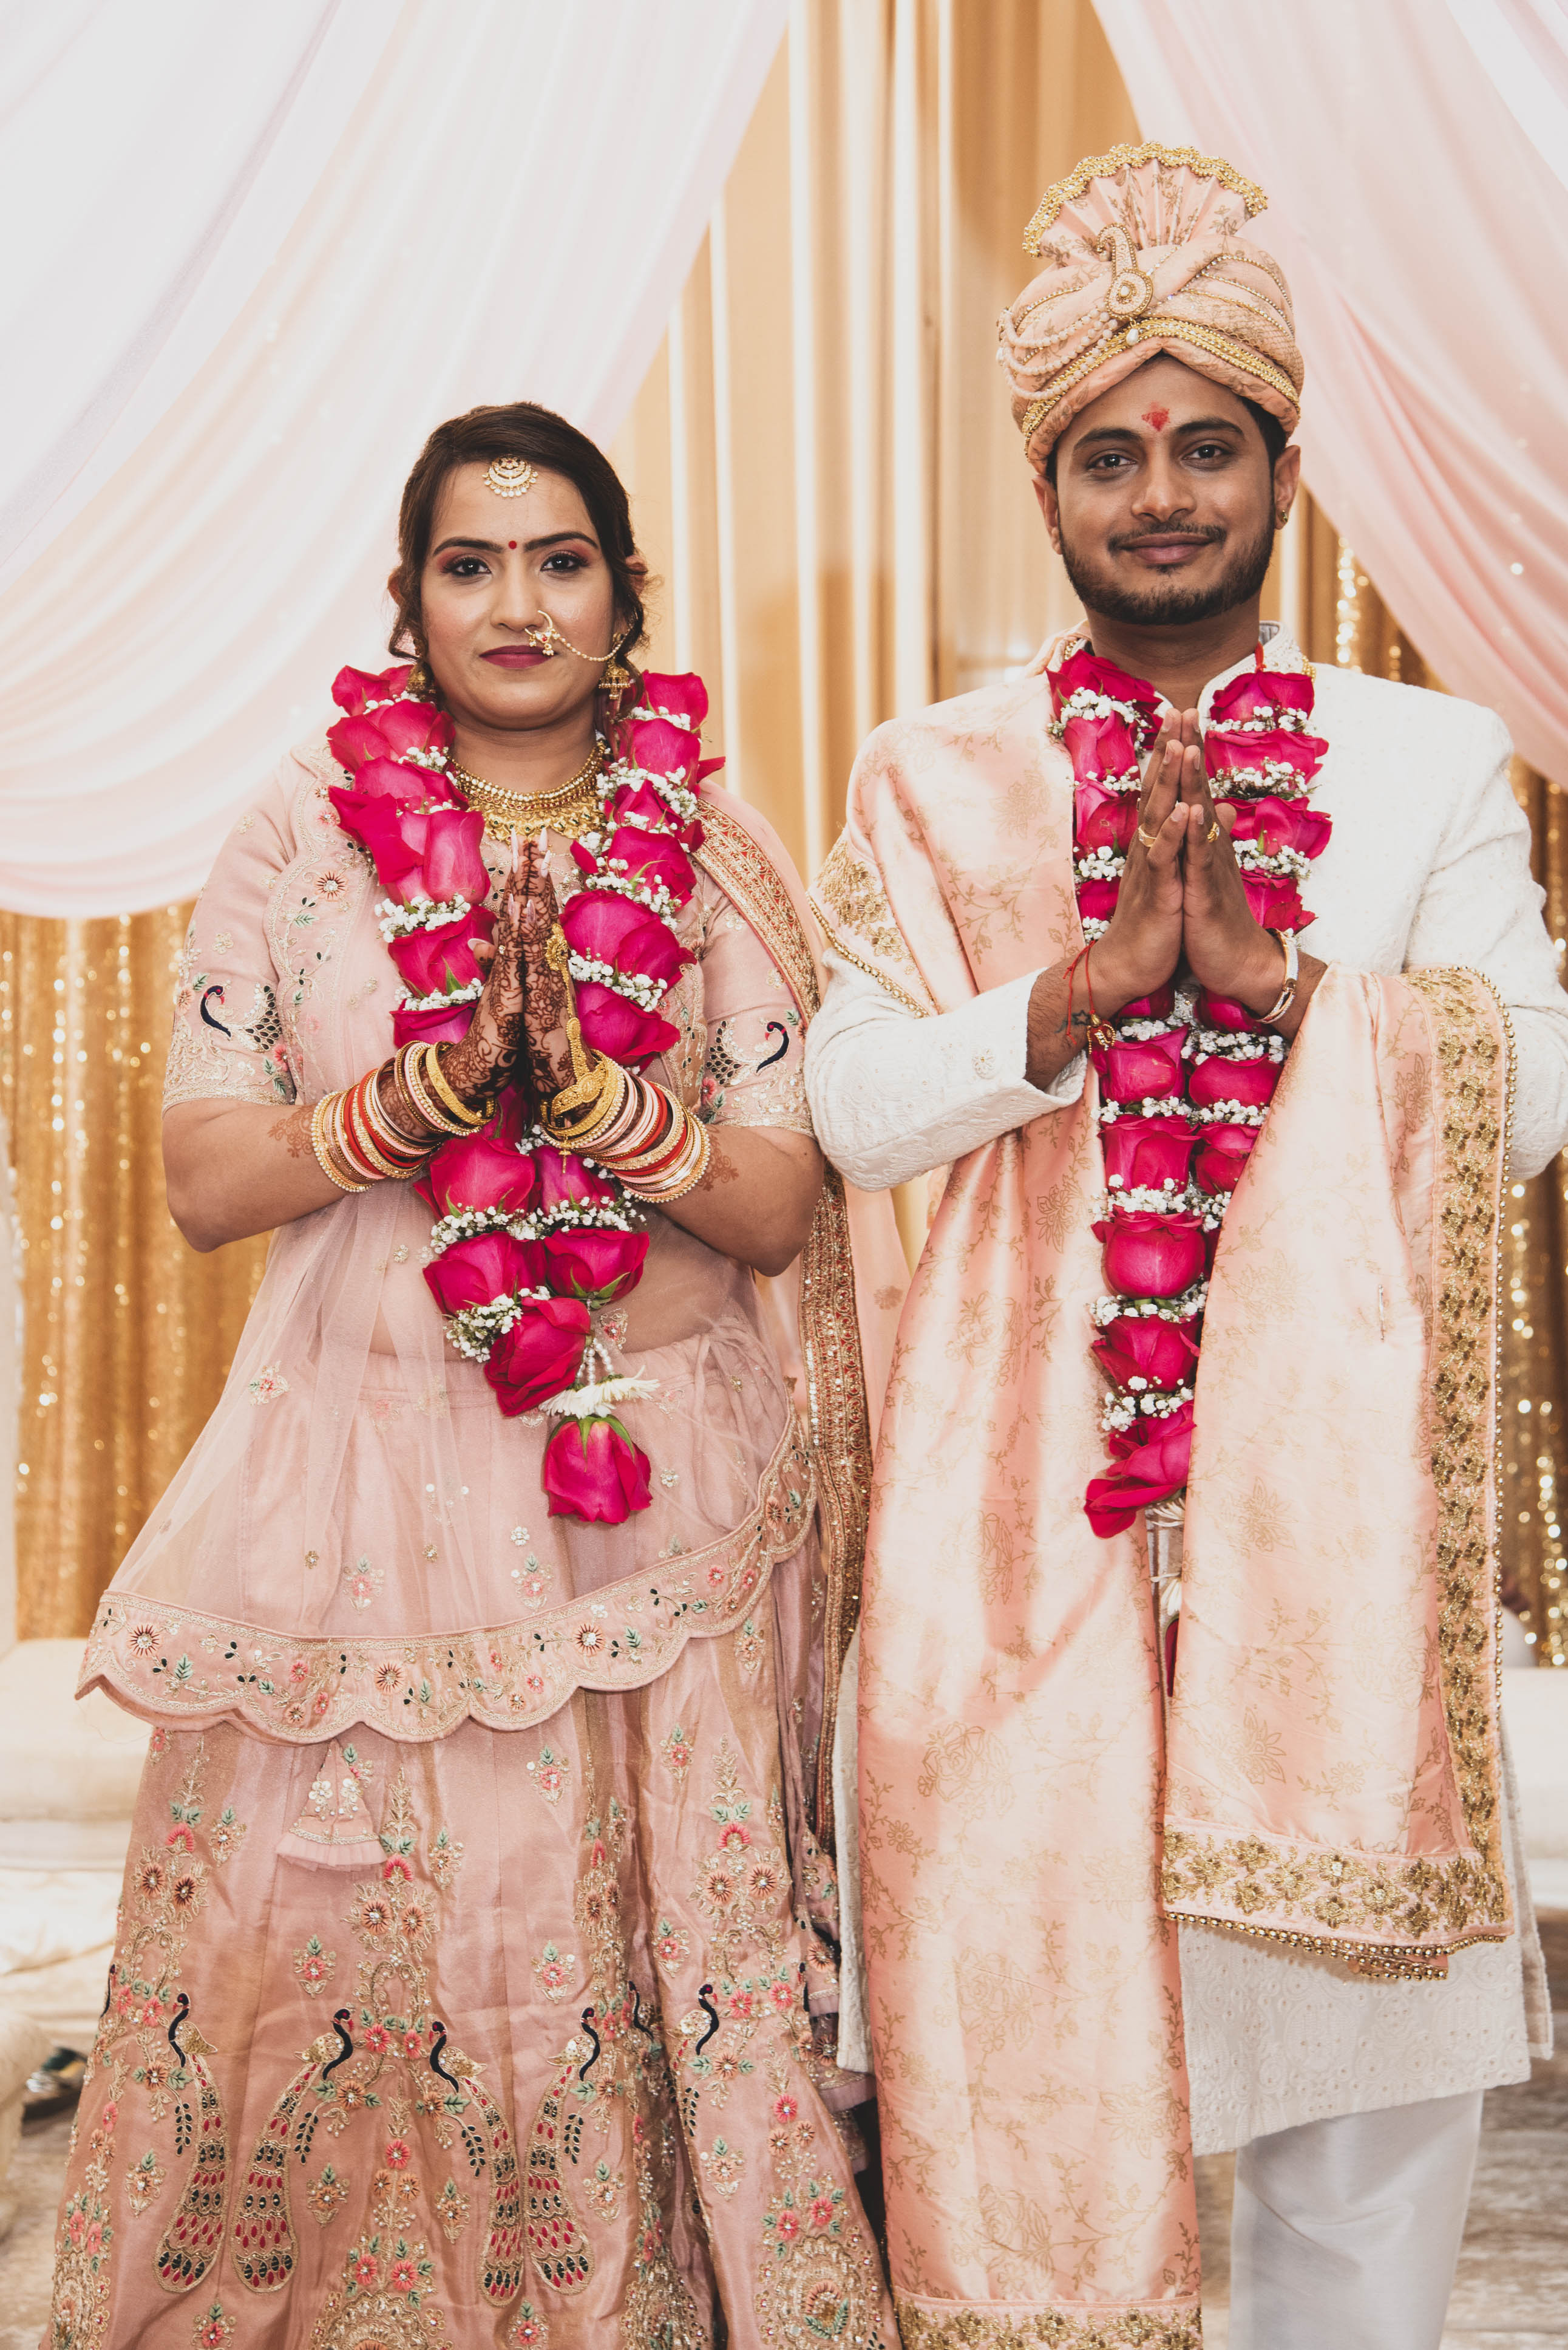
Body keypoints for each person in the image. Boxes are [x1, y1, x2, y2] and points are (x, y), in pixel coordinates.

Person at [44, 401, 905, 2349]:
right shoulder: (303, 830)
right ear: (409, 596)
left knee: (627, 1940)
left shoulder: (717, 847)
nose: (517, 604)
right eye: (469, 563)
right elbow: (202, 1179)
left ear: (625, 589)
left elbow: (780, 1208)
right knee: (354, 1937)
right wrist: (409, 1104)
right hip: (360, 1494)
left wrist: (605, 1108)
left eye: (560, 559)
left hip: (655, 1498)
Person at [805, 145, 1564, 2350]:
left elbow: (1533, 1086)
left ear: (1287, 474)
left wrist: (1287, 996)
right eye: (1110, 454)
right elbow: (849, 1110)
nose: (1162, 496)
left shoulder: (1431, 763)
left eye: (1207, 447)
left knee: (1354, 2091)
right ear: (1046, 487)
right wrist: (1074, 999)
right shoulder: (929, 777)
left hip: (1332, 1517)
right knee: (1022, 2044)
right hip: (1024, 1515)